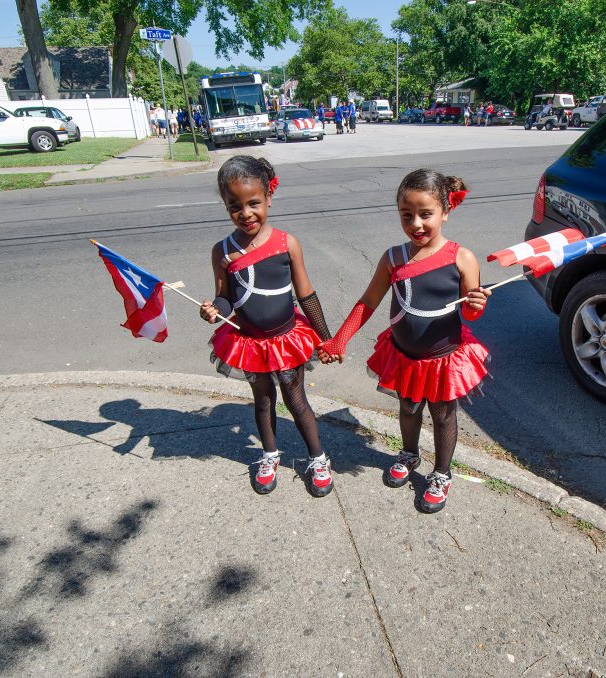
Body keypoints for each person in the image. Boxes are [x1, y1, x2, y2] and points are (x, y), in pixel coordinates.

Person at [320, 169, 491, 513]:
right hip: (404, 355)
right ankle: (409, 453)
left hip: (444, 357)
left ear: (445, 211)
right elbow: (368, 302)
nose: (416, 224)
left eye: (426, 214)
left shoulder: (462, 257)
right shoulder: (393, 258)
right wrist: (340, 339)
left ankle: (442, 473)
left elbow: (469, 314)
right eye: (406, 215)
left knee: (443, 416)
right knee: (409, 408)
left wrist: (476, 305)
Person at [199, 156, 335, 498]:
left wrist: (328, 339)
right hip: (248, 342)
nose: (246, 213)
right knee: (263, 402)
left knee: (296, 400)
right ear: (225, 205)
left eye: (254, 203)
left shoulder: (287, 243)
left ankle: (318, 458)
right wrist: (215, 309)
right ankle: (269, 454)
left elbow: (306, 294)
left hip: (287, 339)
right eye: (235, 206)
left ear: (269, 197)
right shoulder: (222, 251)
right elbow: (226, 298)